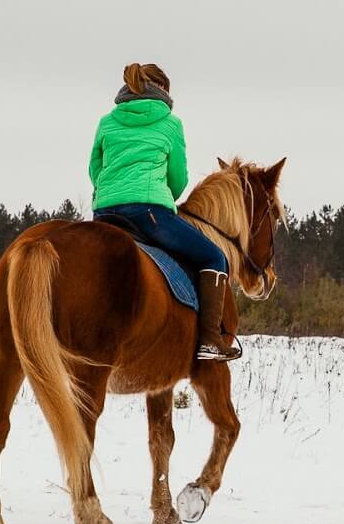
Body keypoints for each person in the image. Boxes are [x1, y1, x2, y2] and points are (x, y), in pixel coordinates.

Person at [90, 63, 239, 362]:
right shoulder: (171, 123)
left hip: (105, 213)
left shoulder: (107, 122)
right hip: (150, 214)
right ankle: (210, 340)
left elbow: (95, 169)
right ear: (163, 90)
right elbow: (178, 178)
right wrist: (162, 196)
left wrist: (110, 193)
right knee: (214, 257)